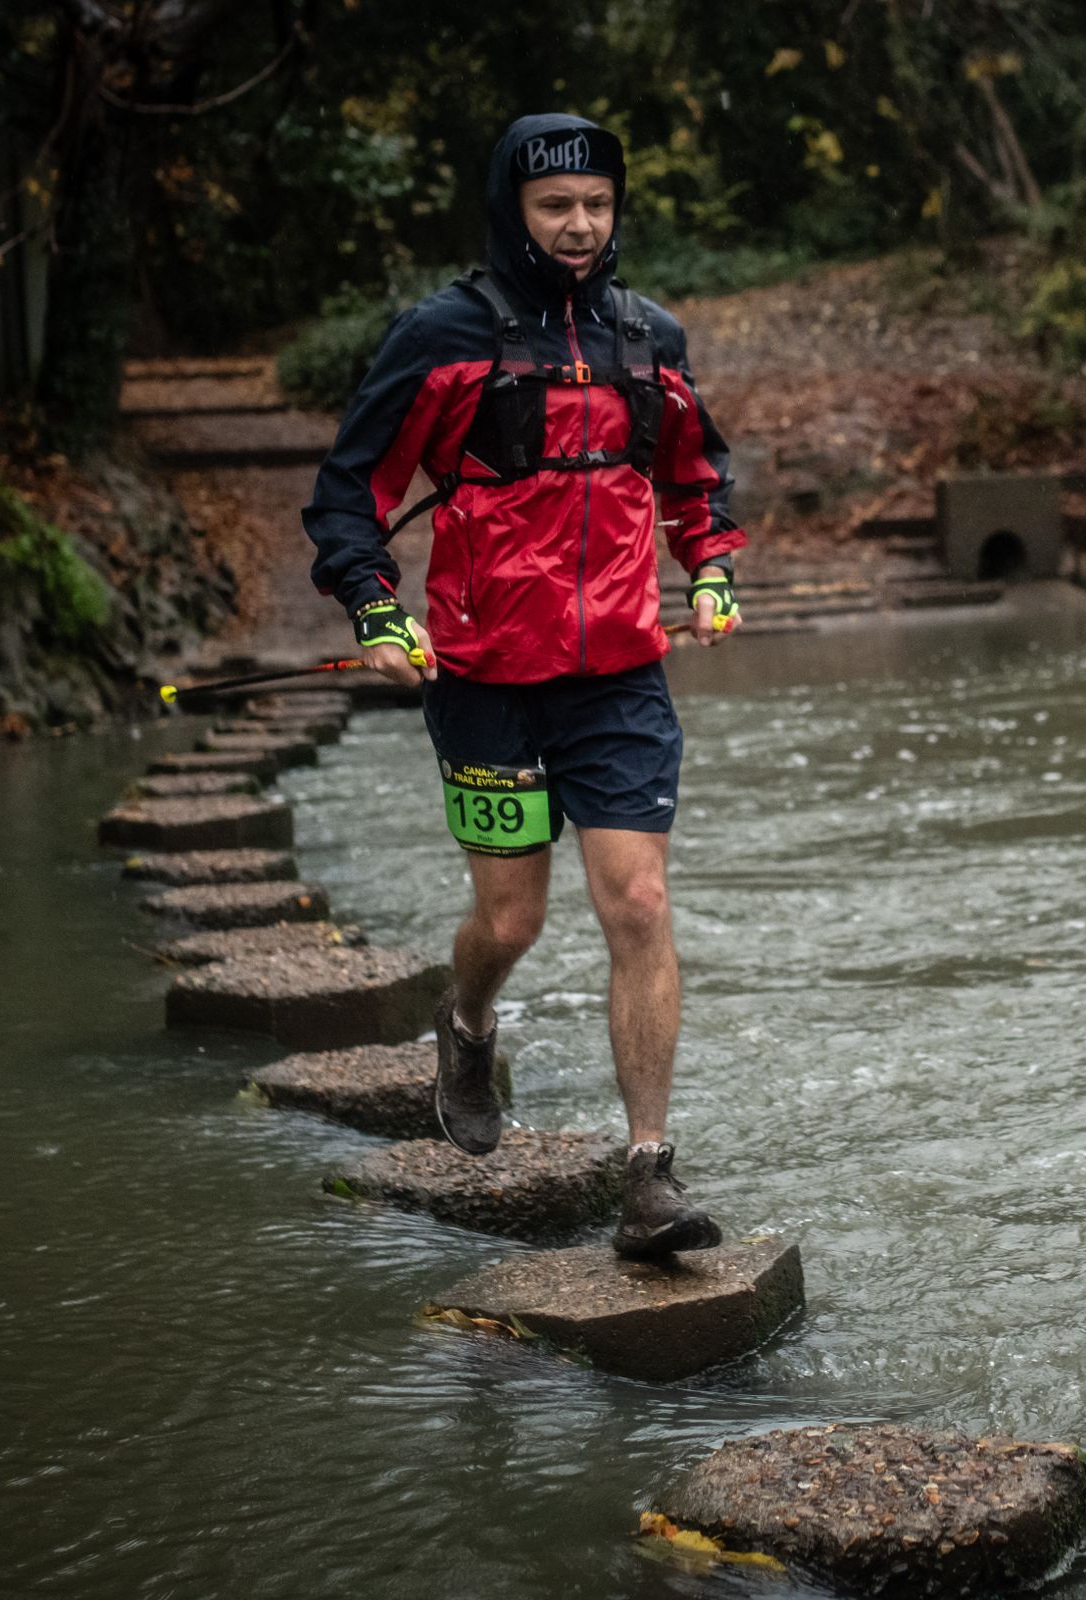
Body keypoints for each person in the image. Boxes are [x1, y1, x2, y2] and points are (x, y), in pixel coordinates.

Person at [301, 113, 746, 1257]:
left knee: (637, 903)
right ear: (513, 210)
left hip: (620, 678)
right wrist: (376, 608)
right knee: (513, 917)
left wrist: (711, 571)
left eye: (597, 204)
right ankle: (467, 1020)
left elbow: (696, 476)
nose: (580, 225)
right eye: (557, 207)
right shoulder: (441, 336)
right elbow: (351, 491)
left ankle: (649, 1174)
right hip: (485, 677)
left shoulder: (650, 336)